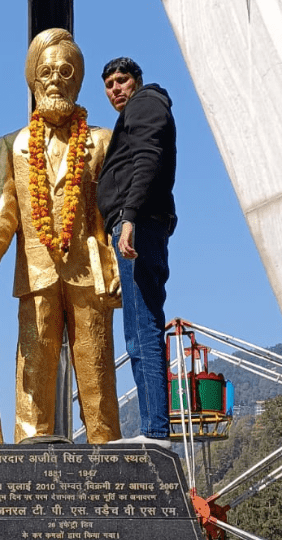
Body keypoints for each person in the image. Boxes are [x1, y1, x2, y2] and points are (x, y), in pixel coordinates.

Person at [0, 29, 122, 445]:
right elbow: (3, 214)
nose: (55, 79)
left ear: (77, 79)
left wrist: (118, 261)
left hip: (91, 276)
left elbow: (114, 212)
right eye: (45, 71)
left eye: (66, 70)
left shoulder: (102, 142)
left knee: (98, 377)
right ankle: (30, 465)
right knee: (33, 377)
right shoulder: (12, 147)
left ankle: (110, 470)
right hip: (36, 274)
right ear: (32, 79)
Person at [97, 57, 177, 448]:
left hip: (138, 224)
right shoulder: (139, 108)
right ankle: (154, 428)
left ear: (137, 81)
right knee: (137, 327)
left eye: (121, 80)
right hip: (141, 223)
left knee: (142, 326)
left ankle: (155, 432)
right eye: (109, 83)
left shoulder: (145, 103)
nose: (115, 88)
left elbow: (148, 159)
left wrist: (128, 218)